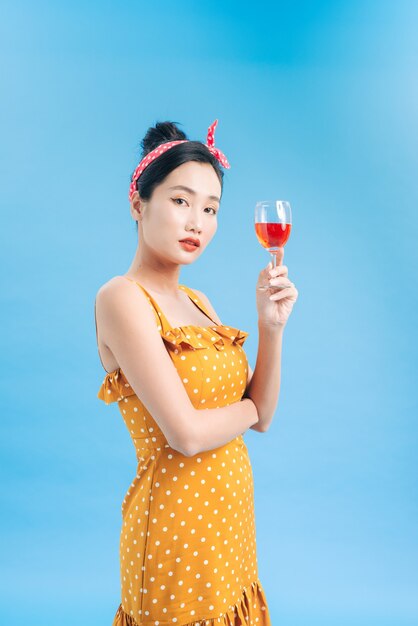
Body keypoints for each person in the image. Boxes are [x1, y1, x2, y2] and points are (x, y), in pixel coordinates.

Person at [95, 119, 298, 625]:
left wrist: (270, 327)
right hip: (176, 536)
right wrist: (248, 409)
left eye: (211, 209)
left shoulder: (196, 301)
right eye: (181, 201)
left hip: (228, 530)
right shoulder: (122, 298)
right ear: (138, 203)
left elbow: (265, 416)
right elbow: (185, 435)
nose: (198, 223)